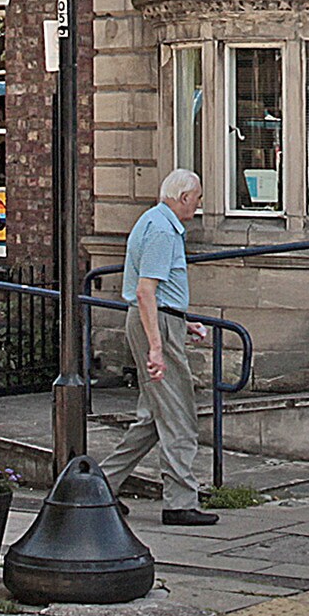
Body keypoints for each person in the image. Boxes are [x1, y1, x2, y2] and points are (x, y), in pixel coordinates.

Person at [99, 170, 217, 525]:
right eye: (196, 198)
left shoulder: (151, 221)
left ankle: (99, 487)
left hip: (163, 319)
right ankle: (180, 502)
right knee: (180, 416)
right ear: (182, 197)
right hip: (156, 323)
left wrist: (182, 320)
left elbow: (155, 294)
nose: (198, 206)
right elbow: (145, 291)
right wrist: (156, 348)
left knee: (152, 418)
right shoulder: (164, 232)